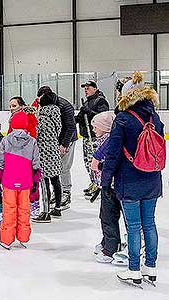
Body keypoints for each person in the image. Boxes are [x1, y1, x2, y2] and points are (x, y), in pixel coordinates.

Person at [102, 72, 163, 286]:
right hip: (153, 178)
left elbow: (113, 153)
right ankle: (151, 267)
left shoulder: (123, 118)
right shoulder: (154, 116)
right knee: (150, 224)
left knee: (134, 226)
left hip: (129, 180)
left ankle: (134, 270)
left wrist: (105, 179)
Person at [0, 112, 41, 250]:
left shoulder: (5, 140)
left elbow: (0, 161)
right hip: (26, 182)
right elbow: (36, 163)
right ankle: (24, 237)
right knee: (24, 209)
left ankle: (6, 239)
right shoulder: (32, 141)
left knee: (9, 209)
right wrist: (35, 179)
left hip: (9, 181)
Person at [87, 111, 122, 264]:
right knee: (106, 216)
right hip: (107, 184)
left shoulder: (110, 140)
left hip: (112, 185)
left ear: (105, 128)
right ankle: (107, 242)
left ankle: (110, 249)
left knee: (108, 217)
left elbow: (109, 162)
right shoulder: (105, 139)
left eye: (96, 127)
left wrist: (98, 164)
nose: (93, 130)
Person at [37, 86, 77, 210]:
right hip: (54, 142)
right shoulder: (47, 105)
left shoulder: (64, 106)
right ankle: (57, 193)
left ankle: (66, 193)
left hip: (67, 139)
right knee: (54, 169)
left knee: (64, 167)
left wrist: (64, 144)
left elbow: (71, 127)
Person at [75, 80, 109, 199]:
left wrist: (88, 112)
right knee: (87, 162)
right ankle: (93, 181)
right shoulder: (87, 102)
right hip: (86, 137)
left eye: (88, 88)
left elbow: (103, 118)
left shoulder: (100, 101)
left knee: (94, 162)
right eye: (85, 88)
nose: (86, 90)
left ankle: (98, 183)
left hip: (95, 137)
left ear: (95, 88)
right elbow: (80, 117)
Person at [32, 92, 62, 223]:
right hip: (54, 151)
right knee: (55, 180)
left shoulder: (42, 118)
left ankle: (45, 212)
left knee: (44, 182)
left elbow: (35, 134)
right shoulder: (56, 115)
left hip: (43, 154)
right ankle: (57, 207)